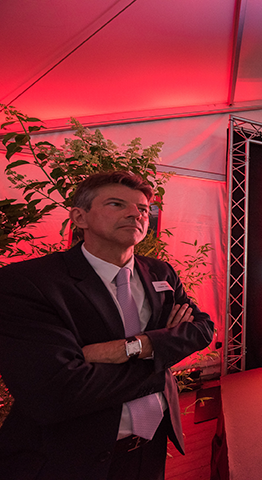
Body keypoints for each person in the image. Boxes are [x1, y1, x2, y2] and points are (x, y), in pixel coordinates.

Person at [0, 171, 214, 480]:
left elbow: (202, 329)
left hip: (150, 447)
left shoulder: (160, 272)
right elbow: (60, 391)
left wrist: (134, 347)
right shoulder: (30, 283)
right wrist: (162, 355)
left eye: (142, 209)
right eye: (117, 204)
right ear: (79, 217)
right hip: (68, 458)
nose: (135, 214)